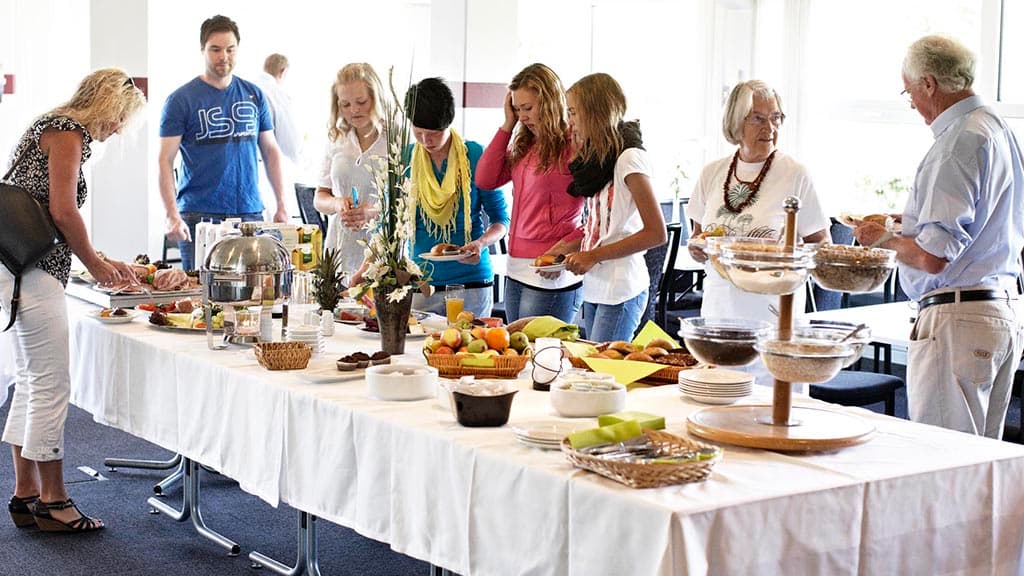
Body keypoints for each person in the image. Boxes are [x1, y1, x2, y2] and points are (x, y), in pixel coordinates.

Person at [853, 35, 1024, 438]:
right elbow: (989, 221)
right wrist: (908, 223)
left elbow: (933, 258)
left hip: (958, 318)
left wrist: (882, 239)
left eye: (908, 89)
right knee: (979, 467)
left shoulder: (957, 142)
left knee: (942, 457)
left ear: (928, 84)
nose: (910, 101)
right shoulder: (997, 128)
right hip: (999, 310)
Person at [0, 68, 145, 532]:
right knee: (51, 384)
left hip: (21, 266)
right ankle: (55, 502)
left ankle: (25, 495)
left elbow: (50, 213)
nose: (119, 129)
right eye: (121, 118)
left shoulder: (50, 124)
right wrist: (99, 267)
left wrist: (100, 257)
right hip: (34, 272)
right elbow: (63, 210)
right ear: (107, 104)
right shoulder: (68, 132)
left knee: (30, 379)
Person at [688, 80, 829, 324]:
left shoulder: (795, 174)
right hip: (719, 310)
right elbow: (698, 237)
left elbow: (822, 245)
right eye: (758, 119)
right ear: (736, 120)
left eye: (776, 117)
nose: (770, 128)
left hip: (773, 313)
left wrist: (783, 257)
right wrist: (697, 249)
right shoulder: (712, 173)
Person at [158, 14, 289, 270]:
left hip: (250, 214)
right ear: (202, 50)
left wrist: (282, 205)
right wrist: (171, 214)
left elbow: (271, 152)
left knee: (253, 295)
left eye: (230, 49)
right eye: (215, 49)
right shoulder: (180, 100)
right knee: (201, 299)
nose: (223, 56)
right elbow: (164, 160)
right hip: (199, 215)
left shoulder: (254, 95)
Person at [559, 73, 666, 342]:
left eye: (573, 112)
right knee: (595, 371)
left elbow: (656, 233)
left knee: (603, 373)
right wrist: (570, 247)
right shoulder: (601, 159)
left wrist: (593, 256)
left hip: (621, 286)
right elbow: (607, 226)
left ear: (595, 112)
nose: (569, 121)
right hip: (596, 286)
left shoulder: (630, 158)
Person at [475, 63, 584, 324]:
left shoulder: (574, 144)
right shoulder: (526, 144)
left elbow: (601, 216)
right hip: (517, 268)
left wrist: (563, 250)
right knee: (520, 356)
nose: (522, 116)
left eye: (528, 108)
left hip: (550, 271)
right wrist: (507, 125)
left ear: (548, 103)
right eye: (517, 108)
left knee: (542, 359)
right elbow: (485, 179)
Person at [406, 78, 509, 318]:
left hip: (471, 283)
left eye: (433, 134)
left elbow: (501, 220)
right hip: (421, 283)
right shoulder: (406, 159)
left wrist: (481, 244)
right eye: (418, 132)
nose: (425, 141)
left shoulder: (474, 154)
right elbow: (388, 222)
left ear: (448, 124)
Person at [313, 63, 387, 275]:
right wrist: (336, 203)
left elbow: (408, 205)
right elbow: (320, 198)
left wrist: (371, 212)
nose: (354, 110)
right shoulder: (336, 138)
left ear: (375, 97)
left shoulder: (395, 138)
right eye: (345, 104)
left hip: (381, 252)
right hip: (339, 250)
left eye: (361, 102)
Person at [254, 53, 303, 220]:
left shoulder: (247, 88)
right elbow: (291, 144)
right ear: (283, 72)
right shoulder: (275, 93)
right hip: (267, 177)